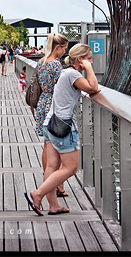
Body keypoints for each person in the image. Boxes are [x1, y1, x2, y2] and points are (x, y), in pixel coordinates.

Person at [24, 43, 99, 216]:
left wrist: (86, 67)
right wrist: (88, 69)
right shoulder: (73, 74)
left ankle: (54, 205)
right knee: (71, 168)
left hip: (51, 122)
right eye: (89, 59)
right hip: (63, 126)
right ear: (80, 59)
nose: (91, 62)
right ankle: (38, 193)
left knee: (52, 166)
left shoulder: (65, 72)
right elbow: (93, 88)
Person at [34, 33, 69, 199]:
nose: (64, 52)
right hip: (53, 105)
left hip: (43, 102)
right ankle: (58, 186)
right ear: (58, 47)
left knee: (46, 145)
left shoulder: (41, 62)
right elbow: (60, 88)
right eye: (64, 49)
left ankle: (47, 180)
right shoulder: (56, 65)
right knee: (58, 147)